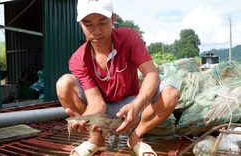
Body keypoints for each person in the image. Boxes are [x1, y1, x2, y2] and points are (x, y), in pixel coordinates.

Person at [56, 0, 180, 155]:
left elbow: (152, 74)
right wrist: (86, 118)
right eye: (88, 24)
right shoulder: (78, 59)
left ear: (113, 19)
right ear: (81, 24)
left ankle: (135, 137)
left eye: (102, 23)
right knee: (63, 83)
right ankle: (96, 138)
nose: (96, 31)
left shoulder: (128, 37)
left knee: (170, 93)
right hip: (103, 109)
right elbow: (96, 102)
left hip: (131, 105)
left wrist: (137, 105)